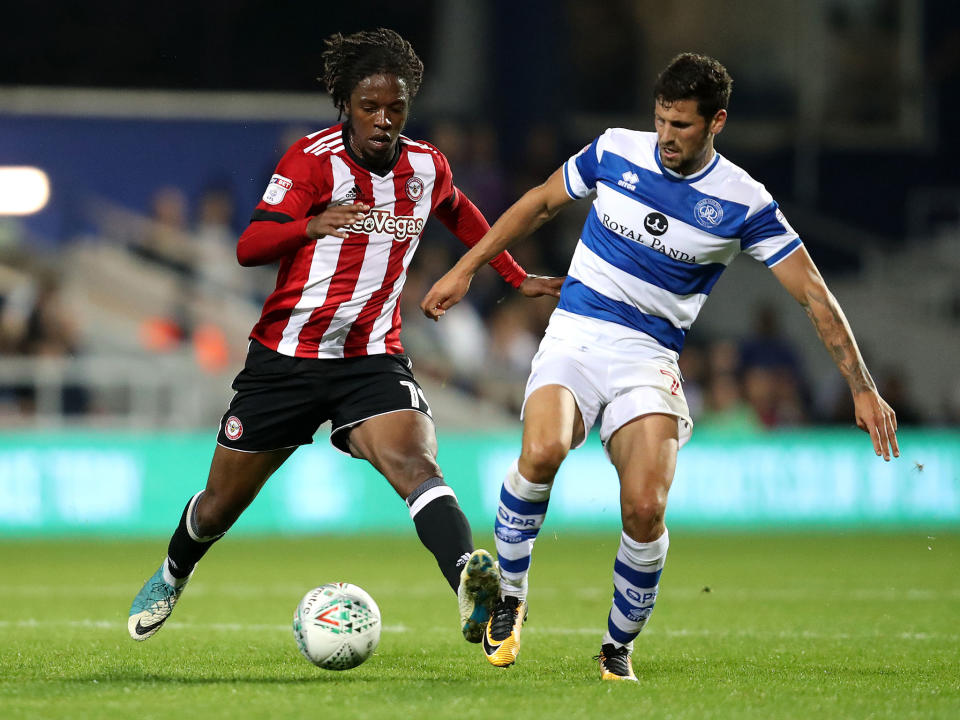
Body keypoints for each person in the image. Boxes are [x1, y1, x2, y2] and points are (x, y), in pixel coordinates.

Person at [420, 53, 900, 681]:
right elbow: (539, 203)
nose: (667, 136)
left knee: (644, 507)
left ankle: (616, 647)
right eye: (661, 120)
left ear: (716, 123)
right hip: (576, 333)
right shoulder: (616, 150)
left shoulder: (744, 202)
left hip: (648, 358)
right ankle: (509, 597)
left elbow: (812, 292)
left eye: (682, 125)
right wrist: (465, 268)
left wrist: (861, 386)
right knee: (541, 451)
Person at [128, 28, 563, 645]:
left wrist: (514, 276)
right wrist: (309, 224)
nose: (384, 121)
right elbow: (249, 246)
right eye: (370, 108)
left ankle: (470, 582)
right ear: (346, 107)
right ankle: (174, 571)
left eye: (396, 108)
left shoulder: (424, 165)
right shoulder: (310, 161)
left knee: (416, 463)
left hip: (370, 357)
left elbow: (459, 209)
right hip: (286, 358)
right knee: (219, 505)